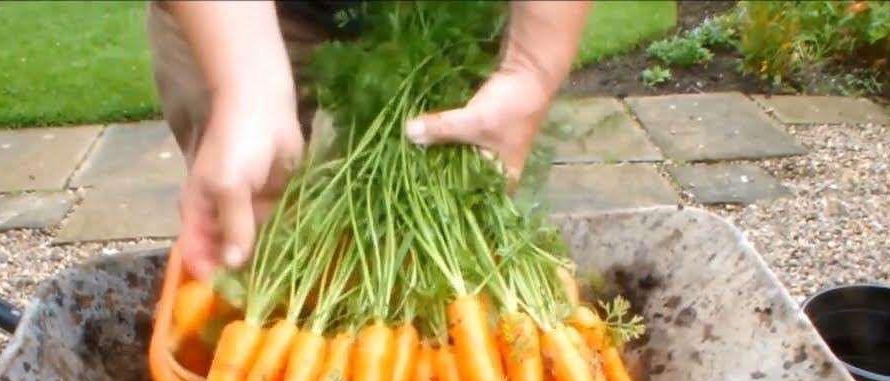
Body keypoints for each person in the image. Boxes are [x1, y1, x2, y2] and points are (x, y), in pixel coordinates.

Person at [147, 0, 592, 281]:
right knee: (252, 239)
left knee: (448, 240)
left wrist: (531, 67)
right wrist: (247, 88)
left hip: (448, 21)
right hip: (240, 17)